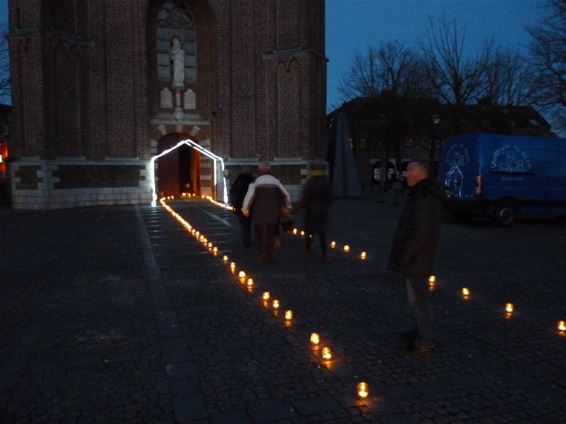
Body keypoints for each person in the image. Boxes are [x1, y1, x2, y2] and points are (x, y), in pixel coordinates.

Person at [387, 160, 445, 355]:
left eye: (410, 170)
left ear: (422, 173)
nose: (406, 174)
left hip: (418, 259)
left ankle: (426, 339)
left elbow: (422, 232)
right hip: (416, 258)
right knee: (414, 300)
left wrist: (405, 256)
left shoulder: (425, 197)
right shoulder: (418, 194)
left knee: (420, 300)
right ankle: (418, 331)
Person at [242, 161, 292, 264]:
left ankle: (261, 253)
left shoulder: (256, 181)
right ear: (269, 169)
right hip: (273, 212)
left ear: (259, 170)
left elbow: (249, 196)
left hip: (259, 212)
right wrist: (288, 208)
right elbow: (286, 195)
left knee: (258, 233)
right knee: (271, 234)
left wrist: (245, 209)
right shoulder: (276, 181)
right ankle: (269, 256)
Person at [300, 159, 332, 261]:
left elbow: (305, 199)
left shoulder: (310, 183)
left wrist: (297, 208)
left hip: (311, 212)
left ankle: (307, 250)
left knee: (309, 233)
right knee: (322, 234)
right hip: (322, 212)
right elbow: (329, 198)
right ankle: (324, 253)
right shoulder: (326, 182)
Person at [229, 167, 255, 247]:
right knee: (249, 223)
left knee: (244, 224)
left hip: (240, 206)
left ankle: (246, 240)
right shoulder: (253, 181)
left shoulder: (238, 181)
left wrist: (234, 204)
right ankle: (248, 238)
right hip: (252, 205)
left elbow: (232, 192)